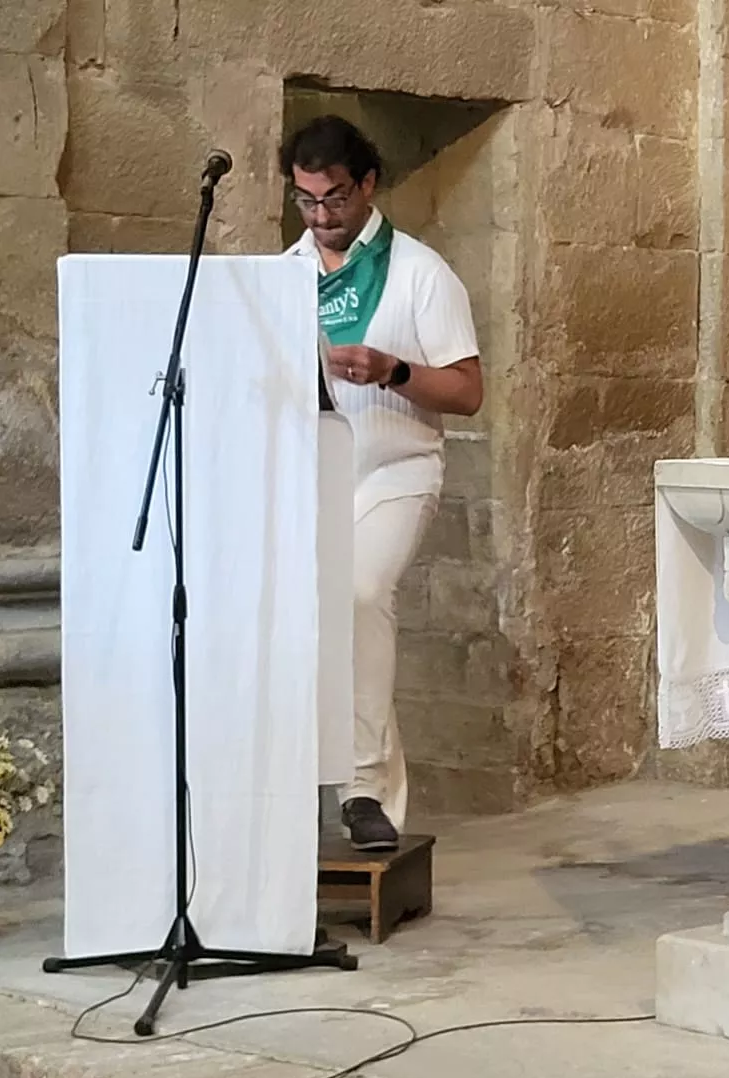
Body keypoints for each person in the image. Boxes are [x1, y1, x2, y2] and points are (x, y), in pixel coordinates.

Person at [282, 115, 484, 850]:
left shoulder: (420, 272)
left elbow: (467, 392)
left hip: (398, 469)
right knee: (327, 620)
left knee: (361, 594)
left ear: (367, 185)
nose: (321, 216)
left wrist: (392, 370)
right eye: (306, 201)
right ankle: (359, 800)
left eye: (334, 198)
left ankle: (361, 786)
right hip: (314, 477)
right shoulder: (286, 274)